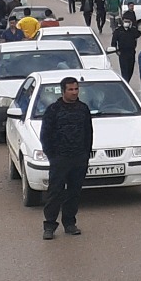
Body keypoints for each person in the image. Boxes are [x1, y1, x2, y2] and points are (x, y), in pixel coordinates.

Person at [38, 77, 93, 239]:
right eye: (70, 89)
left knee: (74, 192)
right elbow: (45, 135)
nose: (74, 92)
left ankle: (69, 223)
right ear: (63, 91)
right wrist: (53, 157)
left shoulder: (83, 109)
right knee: (55, 192)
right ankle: (49, 226)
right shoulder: (53, 110)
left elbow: (88, 134)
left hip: (78, 158)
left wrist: (85, 155)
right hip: (60, 159)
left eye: (76, 89)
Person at [112, 16, 141, 81]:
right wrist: (116, 50)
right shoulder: (118, 30)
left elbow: (138, 34)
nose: (126, 23)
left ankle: (127, 81)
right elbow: (113, 41)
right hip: (122, 53)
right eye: (125, 21)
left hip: (131, 53)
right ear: (122, 21)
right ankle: (126, 82)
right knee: (124, 70)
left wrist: (133, 26)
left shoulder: (132, 31)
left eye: (128, 22)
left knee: (130, 70)